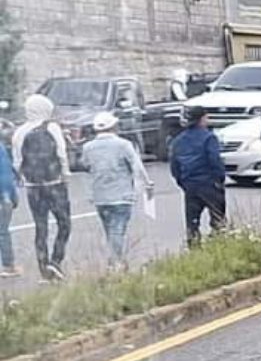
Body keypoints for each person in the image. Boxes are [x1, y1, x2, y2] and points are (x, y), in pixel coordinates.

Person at [82, 112, 152, 269]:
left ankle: (115, 258)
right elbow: (137, 166)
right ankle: (116, 261)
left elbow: (86, 166)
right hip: (122, 194)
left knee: (110, 229)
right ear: (113, 126)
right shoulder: (123, 145)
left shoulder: (88, 148)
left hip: (100, 196)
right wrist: (146, 184)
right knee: (118, 229)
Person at [13, 94, 71, 279]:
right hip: (54, 183)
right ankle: (56, 260)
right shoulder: (52, 127)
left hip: (33, 186)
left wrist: (24, 178)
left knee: (41, 226)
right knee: (64, 223)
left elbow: (17, 161)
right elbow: (61, 153)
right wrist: (65, 174)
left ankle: (43, 268)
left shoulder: (19, 132)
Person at [170, 107, 227, 245]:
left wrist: (182, 181)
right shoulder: (208, 137)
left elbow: (174, 164)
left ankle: (194, 246)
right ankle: (219, 245)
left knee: (192, 221)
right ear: (202, 119)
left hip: (190, 184)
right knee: (218, 218)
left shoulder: (178, 140)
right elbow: (214, 160)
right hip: (209, 183)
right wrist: (220, 178)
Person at [0, 136, 16, 278]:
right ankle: (8, 266)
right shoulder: (1, 149)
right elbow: (6, 175)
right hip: (2, 196)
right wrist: (10, 196)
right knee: (3, 231)